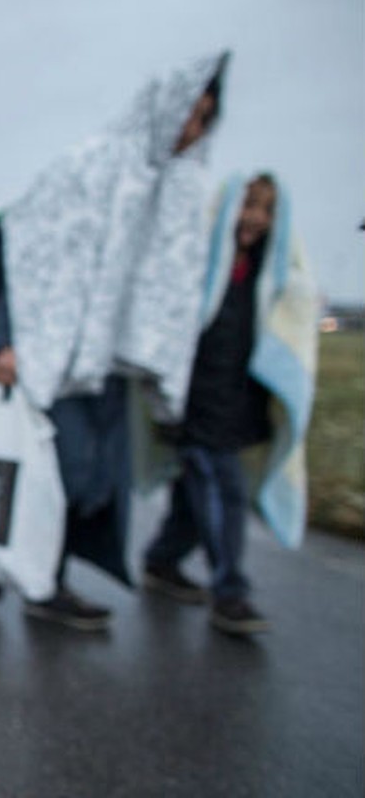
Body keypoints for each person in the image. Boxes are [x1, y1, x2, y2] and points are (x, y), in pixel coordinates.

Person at [0, 50, 232, 630]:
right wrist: (4, 342)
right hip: (49, 351)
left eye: (205, 119)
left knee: (98, 481)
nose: (192, 129)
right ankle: (34, 578)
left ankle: (32, 569)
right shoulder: (90, 166)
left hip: (107, 363)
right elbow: (24, 256)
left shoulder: (175, 190)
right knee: (64, 471)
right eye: (190, 112)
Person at [141, 173, 319, 636]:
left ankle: (161, 559)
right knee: (224, 491)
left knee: (193, 494)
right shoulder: (199, 266)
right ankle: (231, 591)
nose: (255, 218)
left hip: (237, 403)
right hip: (198, 402)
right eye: (248, 205)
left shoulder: (270, 277)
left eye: (266, 209)